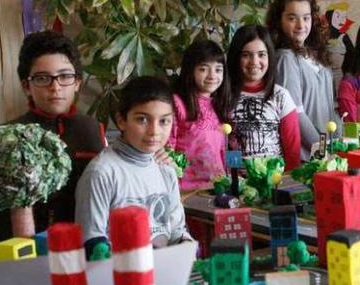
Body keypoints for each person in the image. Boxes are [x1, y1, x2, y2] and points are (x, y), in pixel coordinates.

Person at [0, 31, 106, 263]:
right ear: (26, 86)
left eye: (64, 76)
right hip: (16, 261)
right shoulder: (4, 137)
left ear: (77, 82)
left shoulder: (93, 130)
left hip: (79, 257)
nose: (55, 87)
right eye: (42, 78)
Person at [76, 76, 191, 258]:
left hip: (165, 273)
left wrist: (187, 248)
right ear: (122, 121)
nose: (154, 131)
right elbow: (92, 240)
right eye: (142, 120)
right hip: (119, 278)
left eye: (164, 121)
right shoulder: (101, 173)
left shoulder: (166, 169)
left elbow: (177, 231)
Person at [267, 0, 340, 161]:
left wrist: (337, 143)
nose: (301, 25)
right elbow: (296, 114)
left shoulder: (315, 54)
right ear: (279, 21)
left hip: (327, 151)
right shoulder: (286, 58)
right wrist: (322, 153)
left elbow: (330, 106)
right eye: (292, 18)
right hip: (307, 157)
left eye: (306, 18)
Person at [226, 24, 300, 170]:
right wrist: (235, 178)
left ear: (270, 57)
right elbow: (227, 143)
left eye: (261, 54)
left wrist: (289, 183)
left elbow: (292, 150)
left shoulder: (281, 96)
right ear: (236, 57)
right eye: (246, 55)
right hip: (237, 183)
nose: (254, 62)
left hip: (274, 181)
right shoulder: (225, 96)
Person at [167, 39, 229, 190]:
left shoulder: (219, 104)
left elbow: (221, 151)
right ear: (190, 70)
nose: (212, 75)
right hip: (185, 190)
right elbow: (168, 148)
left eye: (218, 69)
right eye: (203, 69)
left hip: (217, 188)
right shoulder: (177, 103)